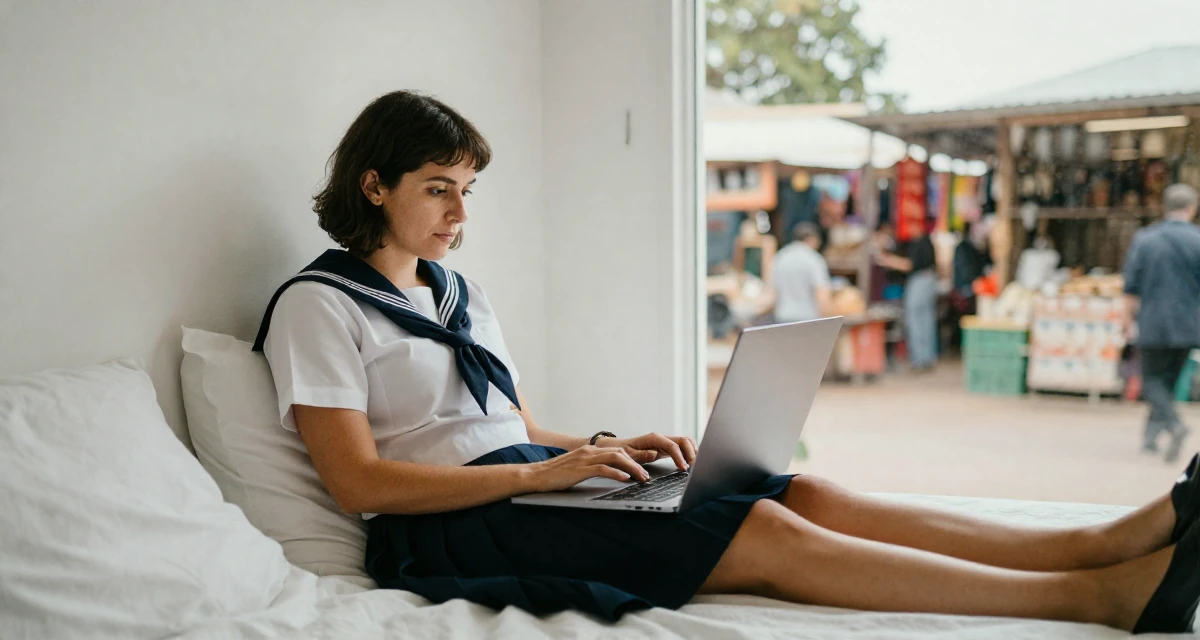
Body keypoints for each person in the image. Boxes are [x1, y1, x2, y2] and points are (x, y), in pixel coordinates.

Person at [253, 90, 1200, 634]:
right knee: (768, 536)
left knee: (796, 491)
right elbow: (357, 482)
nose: (460, 214)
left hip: (524, 486)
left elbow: (511, 425)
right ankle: (1095, 598)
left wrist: (601, 450)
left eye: (467, 190)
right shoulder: (319, 305)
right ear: (372, 186)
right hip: (448, 532)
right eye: (438, 189)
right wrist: (543, 474)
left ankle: (1099, 542)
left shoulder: (457, 290)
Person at [1124, 184, 1200, 463]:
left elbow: (1130, 287)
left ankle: (1174, 425)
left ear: (1164, 207)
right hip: (1188, 324)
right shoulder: (1197, 240)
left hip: (1153, 322)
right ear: (1191, 208)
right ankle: (1151, 436)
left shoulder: (1146, 239)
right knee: (1166, 382)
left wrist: (1126, 320)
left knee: (1152, 382)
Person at [876, 227, 939, 372]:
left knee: (915, 320)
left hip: (920, 281)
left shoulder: (921, 241)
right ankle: (927, 358)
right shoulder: (923, 240)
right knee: (925, 320)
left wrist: (888, 260)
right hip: (928, 280)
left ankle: (919, 360)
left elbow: (909, 265)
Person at [767, 223, 832, 323]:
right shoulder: (814, 259)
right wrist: (826, 320)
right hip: (807, 318)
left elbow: (772, 293)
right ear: (812, 239)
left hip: (782, 317)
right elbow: (822, 293)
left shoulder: (779, 257)